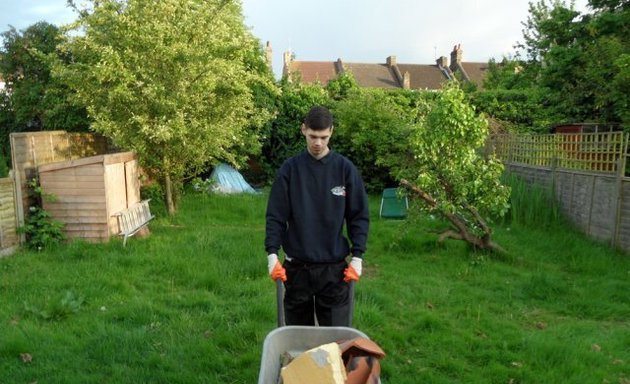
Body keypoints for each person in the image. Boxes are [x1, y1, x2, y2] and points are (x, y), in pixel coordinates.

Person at [264, 106, 369, 326]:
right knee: (299, 341)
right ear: (303, 130)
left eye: (323, 137)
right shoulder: (290, 170)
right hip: (297, 269)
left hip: (334, 270)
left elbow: (358, 216)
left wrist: (357, 257)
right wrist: (272, 254)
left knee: (335, 341)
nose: (318, 143)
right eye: (313, 136)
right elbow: (276, 216)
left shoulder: (345, 170)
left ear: (331, 131)